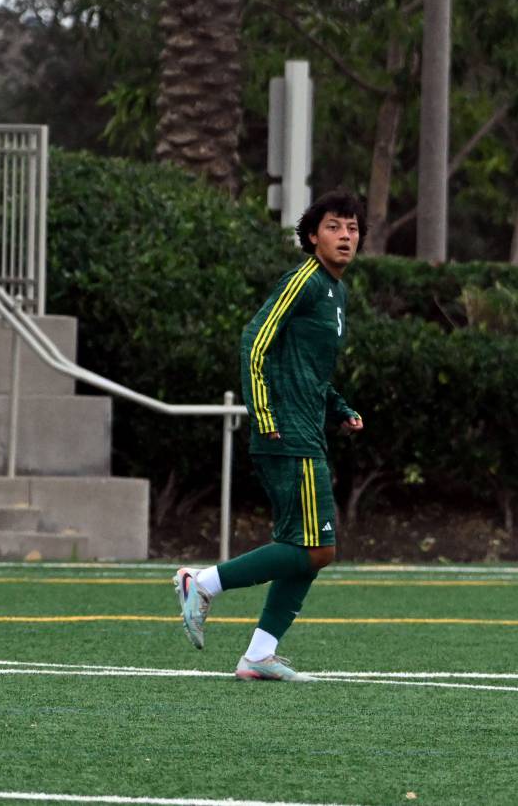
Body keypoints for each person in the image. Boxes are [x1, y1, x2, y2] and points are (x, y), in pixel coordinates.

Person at [173, 190, 366, 681]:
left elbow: (309, 371)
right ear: (312, 236)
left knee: (305, 551)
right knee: (318, 548)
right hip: (286, 432)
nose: (345, 236)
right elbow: (254, 340)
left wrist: (339, 409)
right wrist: (263, 413)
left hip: (305, 430)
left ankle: (259, 655)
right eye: (334, 227)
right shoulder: (304, 280)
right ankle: (203, 582)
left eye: (352, 228)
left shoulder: (336, 291)